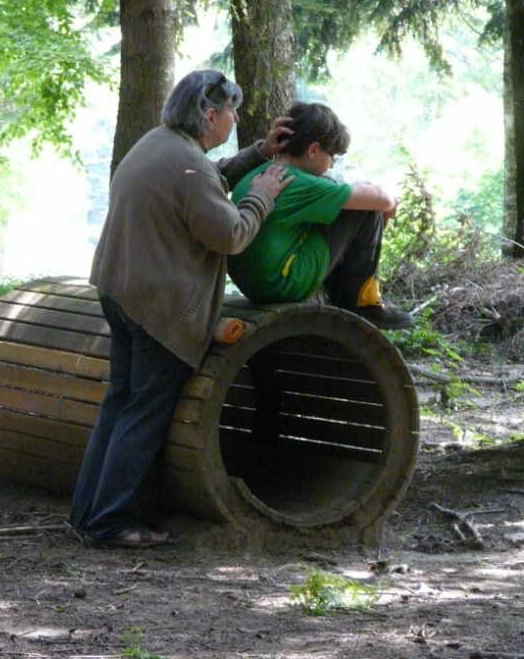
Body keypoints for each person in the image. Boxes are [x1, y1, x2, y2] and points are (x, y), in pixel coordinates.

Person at [68, 69, 293, 548]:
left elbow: (204, 183)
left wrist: (257, 153)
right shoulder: (187, 165)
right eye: (231, 111)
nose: (235, 119)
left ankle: (88, 513)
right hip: (157, 307)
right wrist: (262, 197)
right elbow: (230, 233)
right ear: (210, 115)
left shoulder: (160, 144)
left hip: (119, 291)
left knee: (120, 403)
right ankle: (111, 522)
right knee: (143, 413)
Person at [227, 101, 414, 330]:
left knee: (344, 193)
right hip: (282, 285)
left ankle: (344, 295)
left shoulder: (257, 174)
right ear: (313, 150)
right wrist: (391, 202)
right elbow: (381, 200)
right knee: (365, 207)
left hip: (254, 285)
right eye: (332, 156)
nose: (331, 163)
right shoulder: (298, 182)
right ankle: (363, 303)